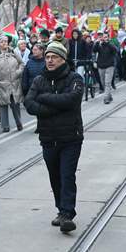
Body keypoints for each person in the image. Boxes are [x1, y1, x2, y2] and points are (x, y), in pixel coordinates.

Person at [24, 41, 84, 233]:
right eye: (48, 57)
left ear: (62, 59)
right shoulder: (39, 80)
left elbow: (71, 100)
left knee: (67, 175)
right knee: (55, 176)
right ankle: (60, 209)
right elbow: (29, 103)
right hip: (48, 138)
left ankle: (67, 214)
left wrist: (44, 98)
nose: (49, 60)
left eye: (54, 57)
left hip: (70, 138)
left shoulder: (75, 78)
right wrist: (54, 108)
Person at [0, 35, 24, 132]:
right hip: (1, 84)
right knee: (3, 106)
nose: (4, 43)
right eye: (2, 42)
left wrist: (18, 72)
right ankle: (5, 126)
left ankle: (19, 123)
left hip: (14, 83)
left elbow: (22, 64)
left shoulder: (14, 53)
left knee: (15, 104)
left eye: (6, 41)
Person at [93, 32, 118, 104]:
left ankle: (106, 98)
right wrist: (97, 42)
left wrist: (108, 43)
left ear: (108, 38)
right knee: (103, 82)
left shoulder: (110, 44)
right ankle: (109, 95)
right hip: (101, 66)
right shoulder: (99, 44)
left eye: (106, 37)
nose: (104, 38)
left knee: (107, 82)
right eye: (103, 37)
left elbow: (115, 51)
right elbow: (94, 50)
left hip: (110, 66)